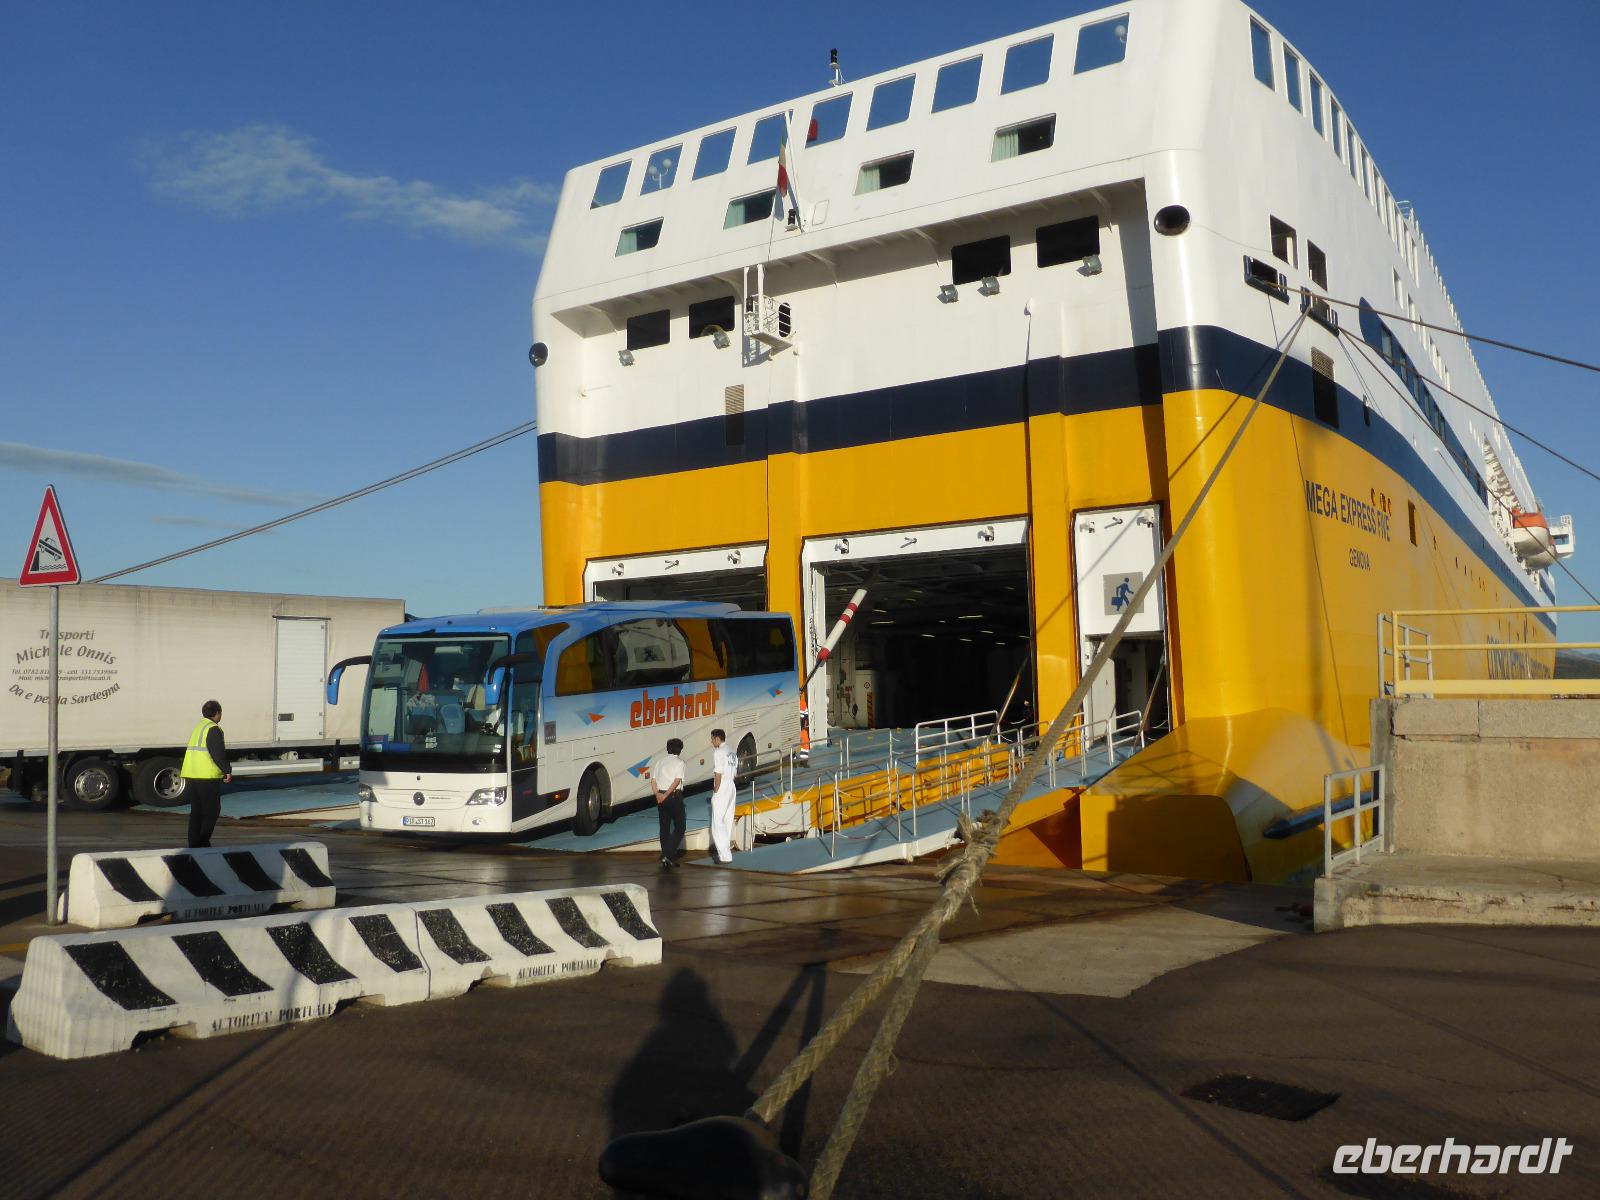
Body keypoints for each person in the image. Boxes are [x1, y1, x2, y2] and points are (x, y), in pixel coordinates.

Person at [180, 699, 231, 848]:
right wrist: (227, 770)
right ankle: (203, 840)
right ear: (217, 713)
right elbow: (217, 753)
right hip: (206, 776)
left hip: (192, 773)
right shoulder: (213, 729)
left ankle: (194, 841)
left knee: (197, 810)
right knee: (212, 810)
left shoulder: (199, 727)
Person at [652, 737, 687, 868]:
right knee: (680, 826)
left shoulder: (659, 762)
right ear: (680, 750)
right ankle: (667, 854)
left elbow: (653, 781)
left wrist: (657, 794)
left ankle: (666, 857)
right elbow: (677, 781)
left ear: (668, 749)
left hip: (660, 795)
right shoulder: (680, 763)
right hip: (673, 796)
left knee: (664, 826)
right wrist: (666, 795)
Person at [709, 729, 738, 865]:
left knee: (717, 822)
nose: (711, 742)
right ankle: (727, 854)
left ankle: (724, 855)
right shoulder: (732, 751)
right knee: (727, 820)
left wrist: (716, 789)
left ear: (717, 738)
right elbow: (735, 772)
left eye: (712, 739)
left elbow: (718, 773)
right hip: (731, 785)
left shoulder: (718, 752)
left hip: (723, 786)